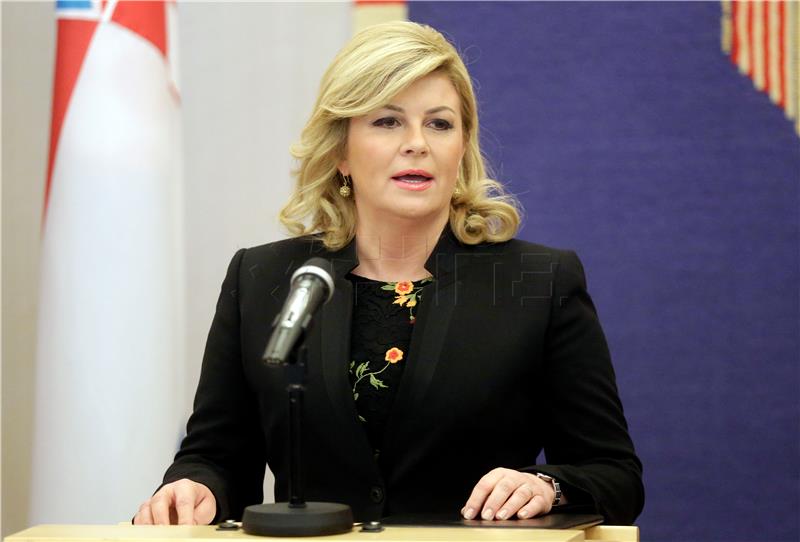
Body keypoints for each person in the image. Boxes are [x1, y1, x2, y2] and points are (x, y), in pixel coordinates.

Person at [133, 21, 643, 527]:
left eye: (439, 124)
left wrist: (547, 485)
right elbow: (216, 456)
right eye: (387, 121)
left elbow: (614, 475)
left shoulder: (537, 282)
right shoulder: (264, 277)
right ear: (341, 151)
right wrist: (194, 488)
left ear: (462, 147)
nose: (417, 143)